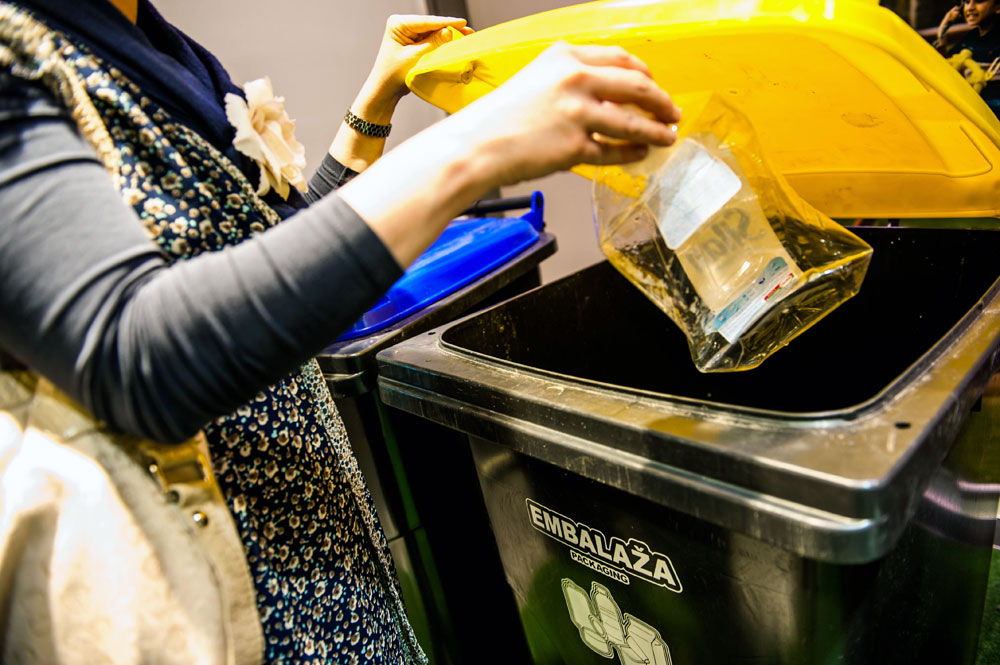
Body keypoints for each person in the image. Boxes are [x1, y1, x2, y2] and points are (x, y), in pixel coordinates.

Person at [0, 0, 681, 663]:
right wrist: (477, 144)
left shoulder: (155, 42)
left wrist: (376, 101)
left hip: (330, 565)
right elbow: (133, 355)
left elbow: (276, 263)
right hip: (219, 605)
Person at [935, 0, 1000, 111]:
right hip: (974, 106)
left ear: (998, 7)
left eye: (978, 1)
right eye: (966, 2)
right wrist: (944, 27)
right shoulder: (970, 38)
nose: (970, 7)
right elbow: (944, 66)